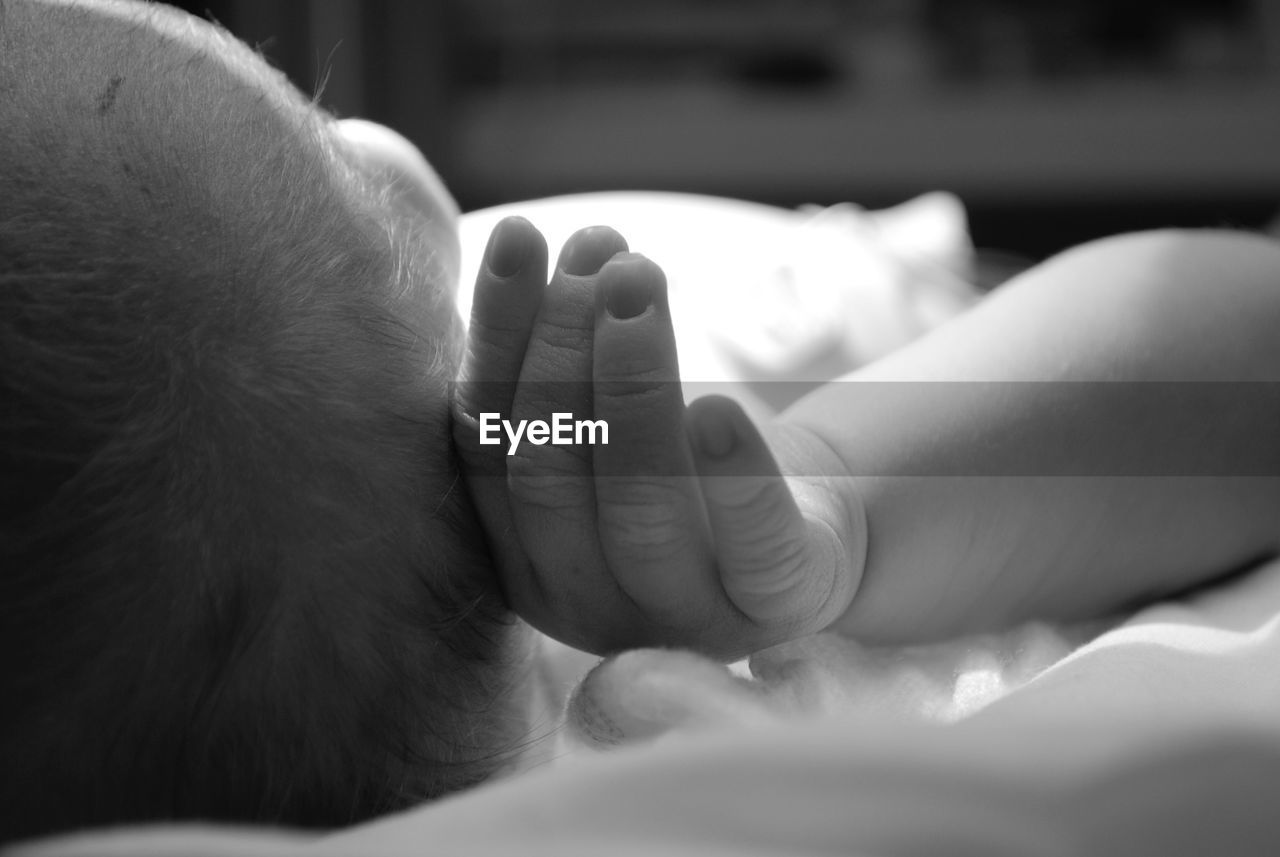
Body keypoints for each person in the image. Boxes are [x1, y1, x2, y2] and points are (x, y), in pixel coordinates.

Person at [5, 0, 1280, 849]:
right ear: (410, 207)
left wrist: (838, 486)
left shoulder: (658, 399)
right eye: (316, 130)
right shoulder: (646, 388)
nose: (373, 137)